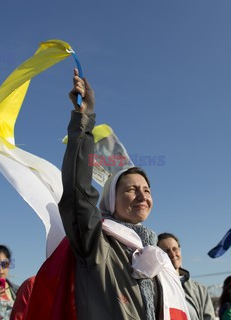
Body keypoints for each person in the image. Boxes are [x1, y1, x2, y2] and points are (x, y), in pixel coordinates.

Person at [57, 68, 188, 320]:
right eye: (131, 189)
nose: (142, 196)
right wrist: (84, 118)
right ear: (110, 200)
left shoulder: (159, 258)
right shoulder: (96, 242)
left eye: (147, 190)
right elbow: (77, 192)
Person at [157, 232, 215, 320]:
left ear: (180, 251)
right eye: (166, 251)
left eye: (175, 249)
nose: (172, 254)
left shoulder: (200, 290)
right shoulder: (155, 288)